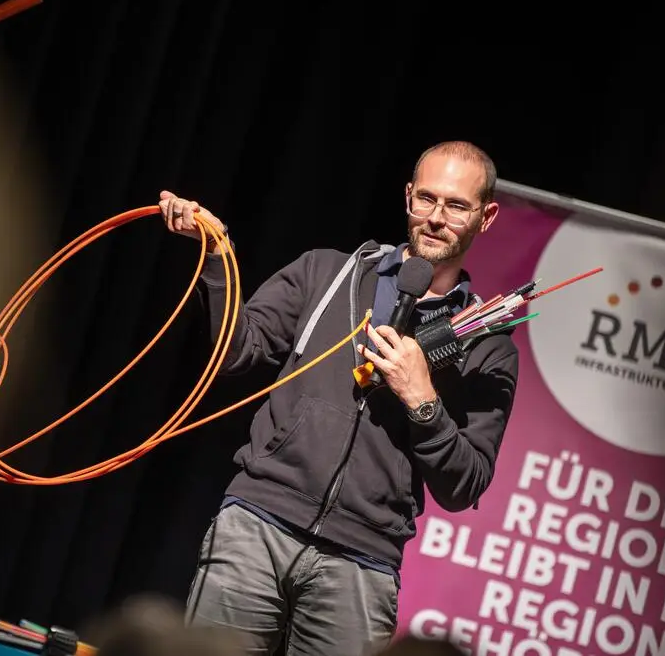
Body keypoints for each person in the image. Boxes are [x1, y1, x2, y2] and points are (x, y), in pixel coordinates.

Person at [160, 141, 519, 656]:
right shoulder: (328, 273)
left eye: (456, 206)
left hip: (362, 564)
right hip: (258, 523)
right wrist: (217, 258)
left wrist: (423, 401)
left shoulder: (487, 346)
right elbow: (236, 351)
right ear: (408, 196)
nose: (436, 218)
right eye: (427, 199)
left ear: (487, 217)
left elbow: (465, 485)